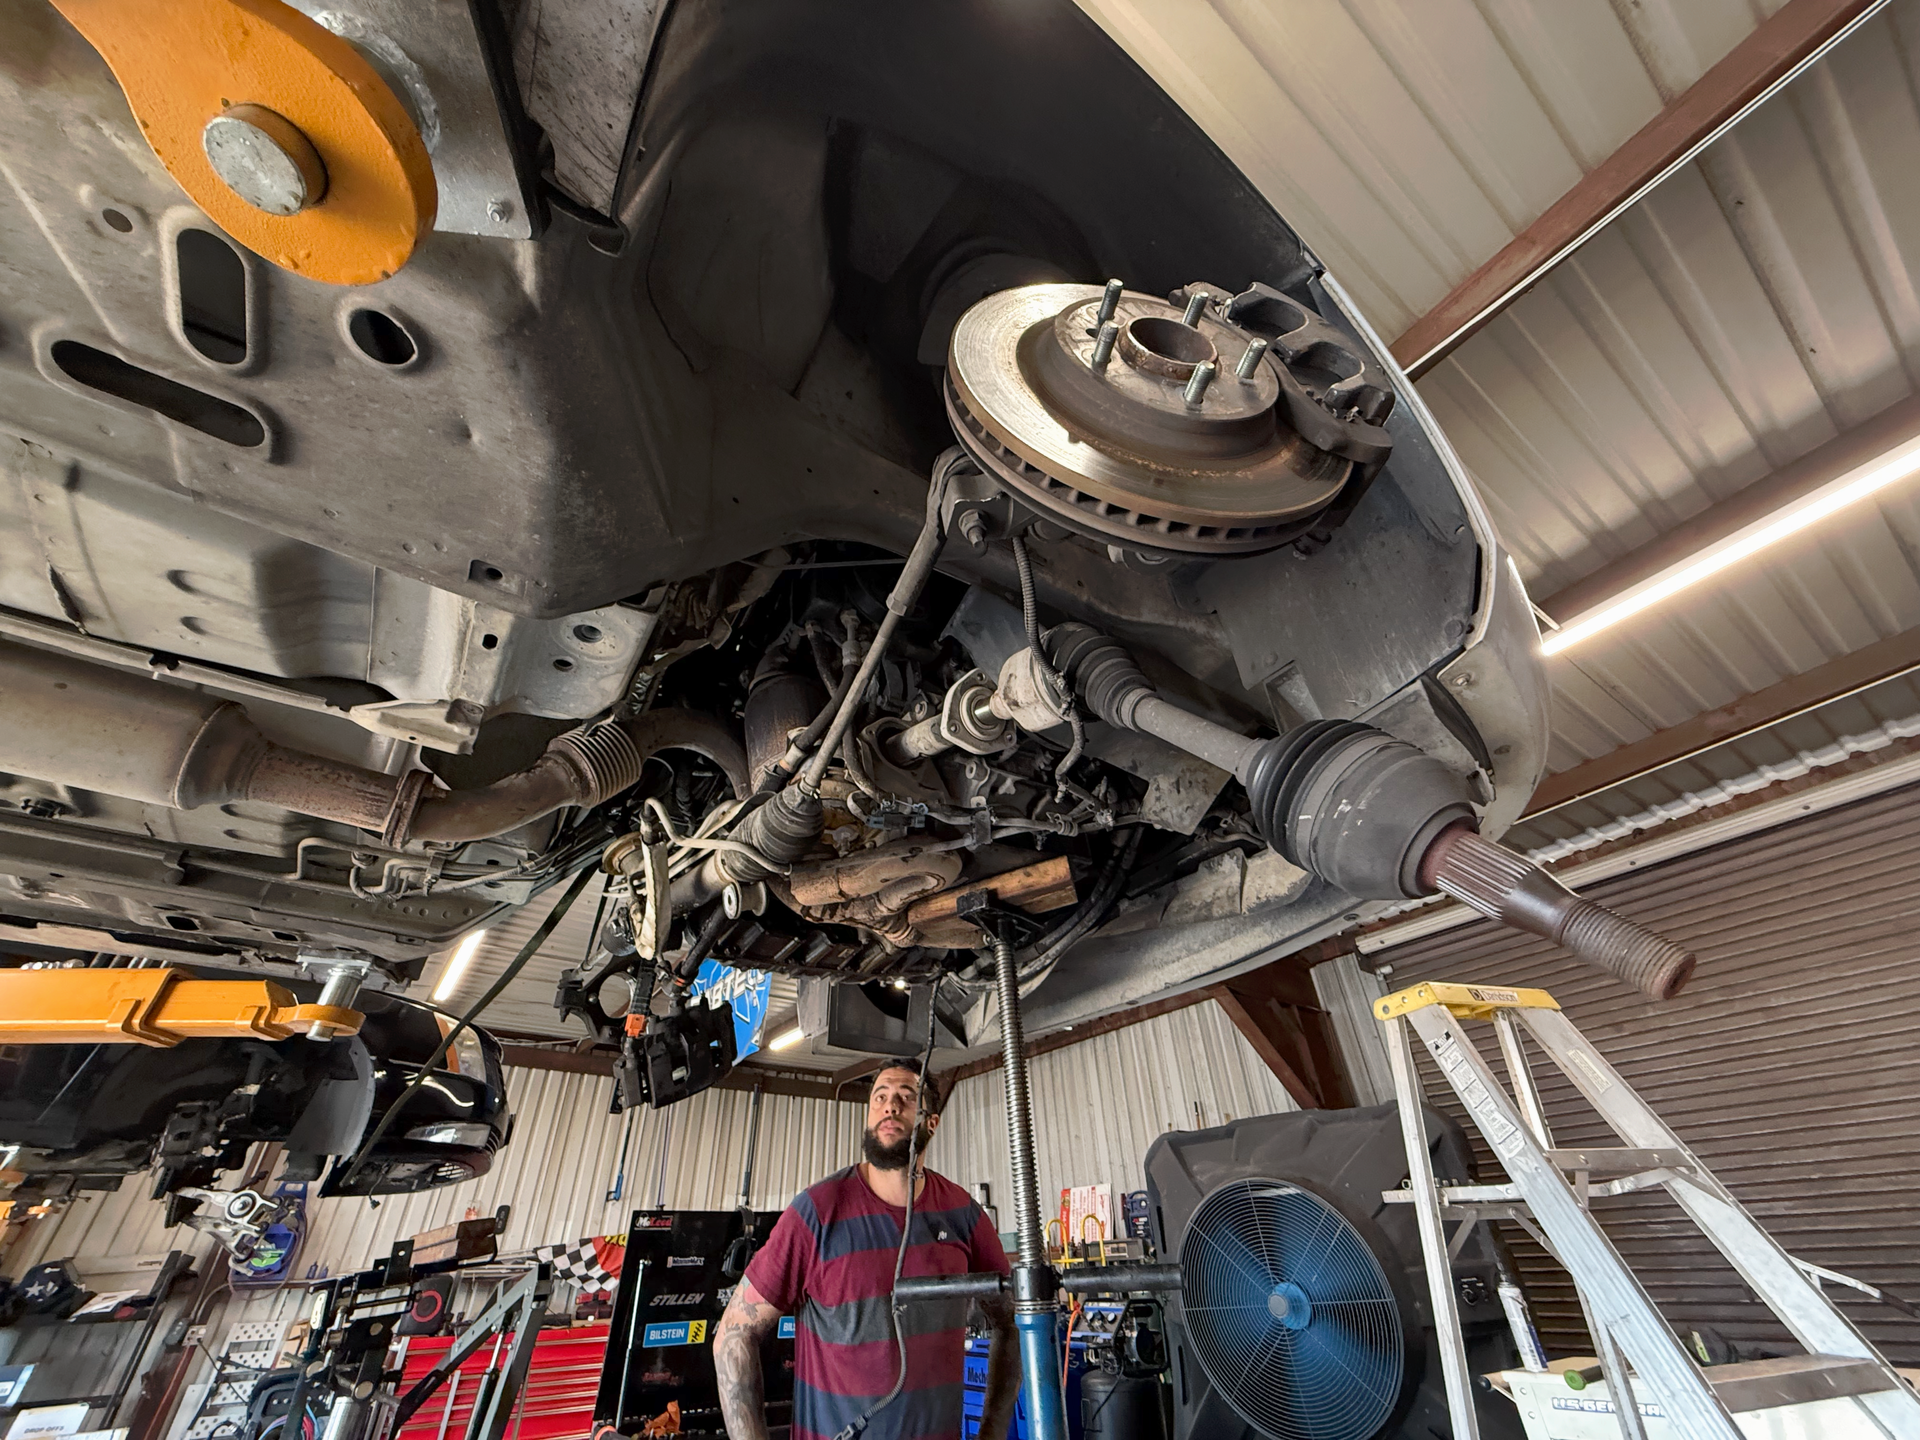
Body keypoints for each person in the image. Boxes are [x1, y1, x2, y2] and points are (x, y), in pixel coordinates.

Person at [713, 1058, 1018, 1440]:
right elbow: (733, 1334)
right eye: (880, 1097)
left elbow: (1014, 1323)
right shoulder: (817, 1212)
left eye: (907, 1098)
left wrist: (992, 1431)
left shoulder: (962, 1214)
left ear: (931, 1123)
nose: (891, 1106)